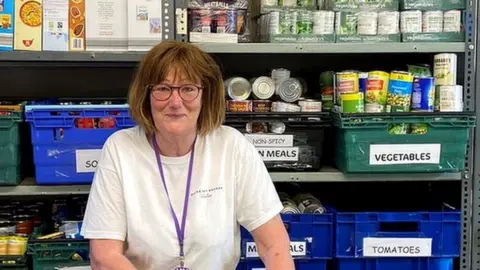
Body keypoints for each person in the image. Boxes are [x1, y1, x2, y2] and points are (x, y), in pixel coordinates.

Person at [80, 40, 294, 270]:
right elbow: (104, 256)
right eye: (163, 88)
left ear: (206, 95)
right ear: (146, 95)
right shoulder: (120, 149)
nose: (175, 102)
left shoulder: (231, 147)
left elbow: (275, 247)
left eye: (188, 89)